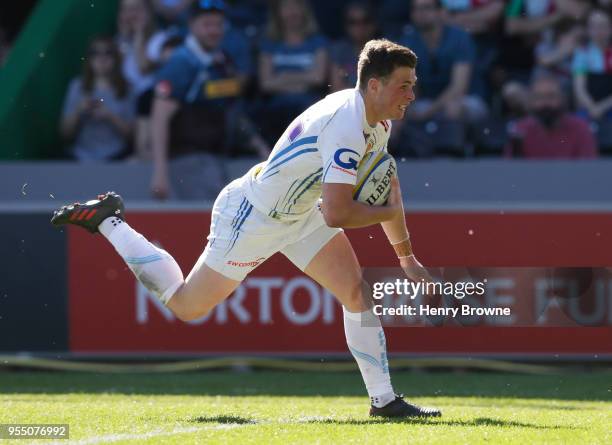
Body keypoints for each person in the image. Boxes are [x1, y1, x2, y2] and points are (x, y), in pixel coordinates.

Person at [51, 38, 441, 419]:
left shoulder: (378, 122)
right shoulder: (345, 126)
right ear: (374, 85)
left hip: (303, 213)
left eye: (413, 85)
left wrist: (406, 257)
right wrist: (384, 213)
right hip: (254, 215)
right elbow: (340, 214)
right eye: (403, 85)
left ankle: (384, 400)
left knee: (356, 292)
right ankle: (108, 220)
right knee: (187, 305)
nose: (411, 94)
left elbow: (388, 192)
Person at [149, 0, 269, 200]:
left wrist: (260, 147)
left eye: (218, 25)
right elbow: (159, 117)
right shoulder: (182, 62)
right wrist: (159, 171)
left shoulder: (222, 62)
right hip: (189, 161)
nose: (214, 31)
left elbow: (231, 111)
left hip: (217, 159)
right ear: (192, 26)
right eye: (207, 25)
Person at [257, 0, 329, 142]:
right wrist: (301, 81)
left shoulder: (318, 42)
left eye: (297, 6)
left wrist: (283, 77)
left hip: (308, 104)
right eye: (287, 7)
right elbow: (265, 83)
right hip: (276, 108)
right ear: (278, 13)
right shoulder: (269, 43)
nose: (292, 12)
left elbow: (318, 78)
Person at [60, 36, 136, 161]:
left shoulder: (128, 88)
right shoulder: (77, 86)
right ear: (89, 59)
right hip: (80, 155)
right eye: (95, 53)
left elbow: (132, 136)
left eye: (108, 52)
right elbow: (64, 134)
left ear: (116, 58)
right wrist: (79, 111)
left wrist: (109, 116)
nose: (102, 58)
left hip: (116, 156)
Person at [505, 74, 598, 158]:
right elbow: (509, 171)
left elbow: (588, 171)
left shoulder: (581, 129)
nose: (545, 103)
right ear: (531, 101)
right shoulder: (520, 130)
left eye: (551, 96)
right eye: (539, 98)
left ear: (562, 99)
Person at [329, 1, 379, 92]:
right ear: (346, 26)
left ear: (374, 23)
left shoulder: (386, 51)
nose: (360, 27)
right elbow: (336, 89)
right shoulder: (339, 50)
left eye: (365, 20)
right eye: (353, 22)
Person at [572, 8, 612, 121]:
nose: (598, 31)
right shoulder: (582, 52)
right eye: (593, 26)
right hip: (588, 107)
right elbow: (579, 88)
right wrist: (592, 108)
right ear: (587, 29)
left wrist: (601, 108)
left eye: (603, 25)